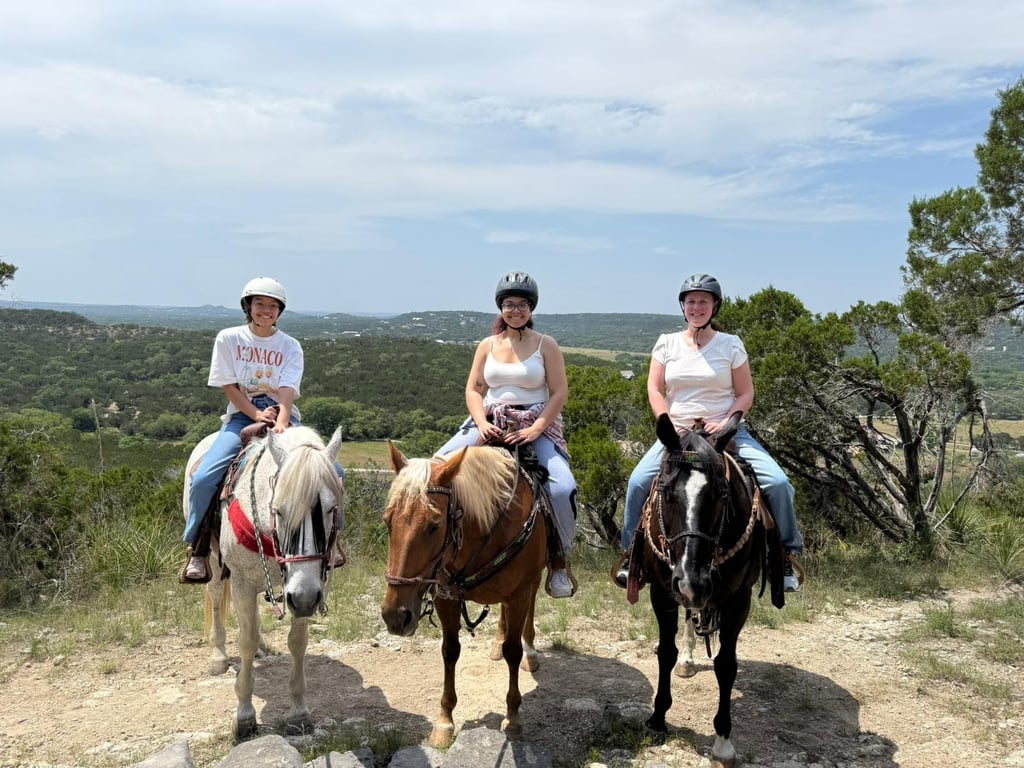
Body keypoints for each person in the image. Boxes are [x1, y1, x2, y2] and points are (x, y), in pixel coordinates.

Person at [617, 273, 804, 592]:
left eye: (703, 301)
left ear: (715, 306)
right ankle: (632, 556)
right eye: (690, 301)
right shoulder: (667, 343)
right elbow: (654, 387)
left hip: (724, 434)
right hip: (678, 436)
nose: (696, 307)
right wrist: (666, 421)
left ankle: (786, 555)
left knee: (779, 483)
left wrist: (728, 420)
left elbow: (746, 392)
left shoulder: (731, 345)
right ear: (683, 307)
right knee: (637, 483)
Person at [182, 276, 343, 581]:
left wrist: (281, 423)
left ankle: (333, 544)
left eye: (272, 306)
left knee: (335, 474)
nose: (266, 311)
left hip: (284, 416)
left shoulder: (290, 346)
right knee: (204, 477)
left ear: (279, 311)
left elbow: (286, 389)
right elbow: (229, 386)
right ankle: (198, 548)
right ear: (249, 307)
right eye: (260, 304)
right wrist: (256, 413)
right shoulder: (229, 339)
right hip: (243, 415)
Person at [435, 271, 579, 598]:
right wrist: (481, 423)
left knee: (562, 488)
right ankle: (438, 556)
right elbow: (474, 389)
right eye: (509, 304)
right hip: (490, 418)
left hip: (535, 422)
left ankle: (559, 561)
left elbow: (558, 393)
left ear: (531, 308)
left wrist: (536, 429)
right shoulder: (487, 346)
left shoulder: (546, 345)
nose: (516, 310)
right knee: (437, 467)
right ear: (501, 308)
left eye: (522, 305)